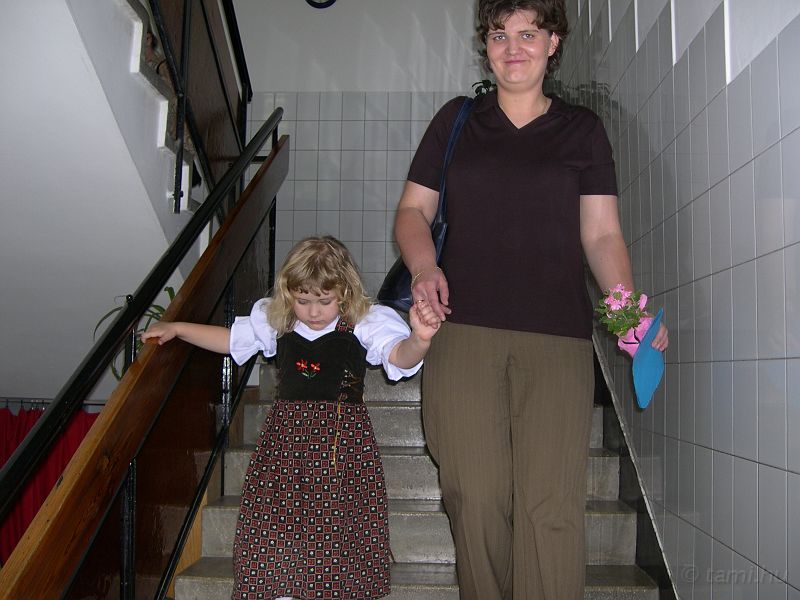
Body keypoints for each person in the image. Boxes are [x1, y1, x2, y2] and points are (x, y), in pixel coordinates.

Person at [393, 1, 669, 598]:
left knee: (551, 506)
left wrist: (631, 316)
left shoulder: (583, 130)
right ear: (486, 45)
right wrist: (424, 268)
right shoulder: (456, 122)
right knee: (474, 496)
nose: (512, 48)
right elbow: (414, 210)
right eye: (499, 35)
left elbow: (601, 236)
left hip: (557, 340)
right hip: (462, 333)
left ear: (553, 43)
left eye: (528, 34)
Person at [142, 236, 440, 600]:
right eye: (303, 301)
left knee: (334, 535)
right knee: (273, 532)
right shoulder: (278, 322)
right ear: (288, 293)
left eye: (324, 301)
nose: (313, 312)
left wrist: (420, 340)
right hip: (284, 450)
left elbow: (400, 356)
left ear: (345, 293)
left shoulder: (364, 324)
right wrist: (179, 329)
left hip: (340, 453)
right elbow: (231, 339)